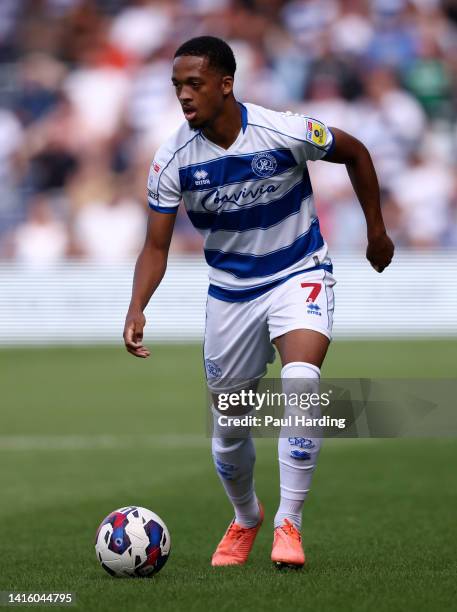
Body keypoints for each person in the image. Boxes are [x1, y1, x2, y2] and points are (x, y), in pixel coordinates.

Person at [123, 36, 394, 569]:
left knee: (301, 382)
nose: (183, 95)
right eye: (177, 85)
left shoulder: (283, 131)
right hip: (230, 294)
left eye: (194, 84)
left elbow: (356, 152)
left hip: (299, 271)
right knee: (228, 432)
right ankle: (246, 516)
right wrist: (137, 306)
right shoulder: (172, 159)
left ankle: (289, 523)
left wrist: (377, 232)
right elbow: (155, 246)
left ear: (226, 85)